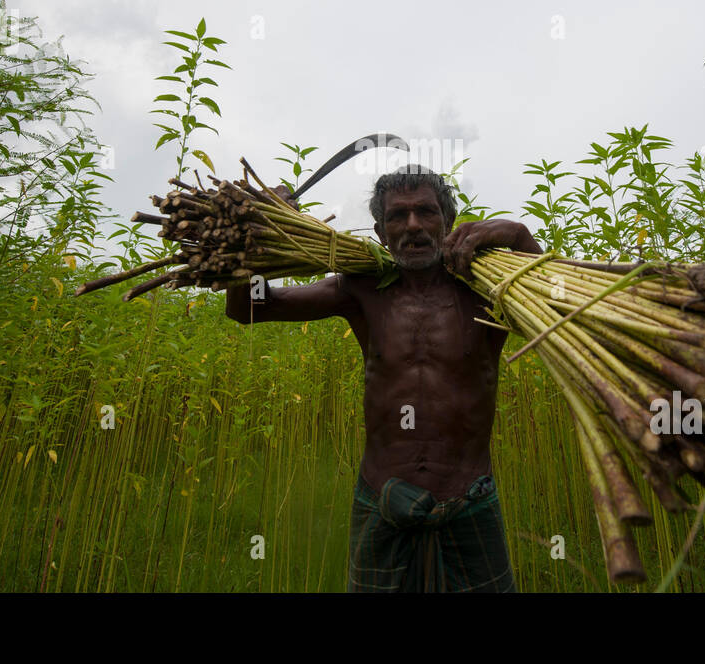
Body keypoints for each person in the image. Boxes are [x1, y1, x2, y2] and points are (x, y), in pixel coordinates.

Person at [225, 165, 543, 592]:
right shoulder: (361, 289)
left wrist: (518, 234)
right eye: (397, 216)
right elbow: (249, 306)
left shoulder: (489, 289)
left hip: (468, 498)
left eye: (426, 212)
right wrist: (258, 234)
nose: (412, 225)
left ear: (448, 222)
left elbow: (552, 309)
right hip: (380, 498)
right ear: (380, 231)